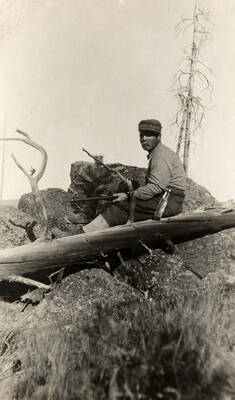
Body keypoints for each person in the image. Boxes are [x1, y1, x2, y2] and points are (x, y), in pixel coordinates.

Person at [83, 119, 186, 232]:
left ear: (159, 137)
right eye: (141, 135)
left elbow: (155, 188)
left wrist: (128, 195)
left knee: (121, 207)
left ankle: (85, 233)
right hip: (168, 200)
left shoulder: (160, 156)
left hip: (167, 203)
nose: (144, 138)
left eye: (149, 135)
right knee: (127, 190)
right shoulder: (159, 153)